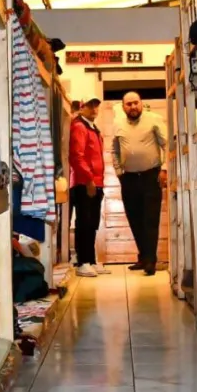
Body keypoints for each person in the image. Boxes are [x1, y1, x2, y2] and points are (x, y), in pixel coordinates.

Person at [113, 92, 166, 275]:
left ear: (141, 103)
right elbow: (114, 150)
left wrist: (165, 169)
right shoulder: (118, 123)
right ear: (123, 107)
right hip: (128, 179)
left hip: (151, 177)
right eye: (128, 104)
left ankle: (150, 260)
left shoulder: (154, 119)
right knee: (135, 219)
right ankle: (143, 257)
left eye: (136, 103)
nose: (133, 107)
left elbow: (167, 144)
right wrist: (119, 172)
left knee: (150, 219)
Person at [69, 95, 107, 277]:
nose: (94, 109)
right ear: (82, 108)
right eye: (90, 106)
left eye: (96, 106)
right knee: (84, 222)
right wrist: (89, 179)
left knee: (92, 223)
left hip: (96, 182)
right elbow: (77, 156)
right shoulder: (79, 127)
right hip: (85, 183)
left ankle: (90, 260)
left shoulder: (92, 128)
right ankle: (83, 262)